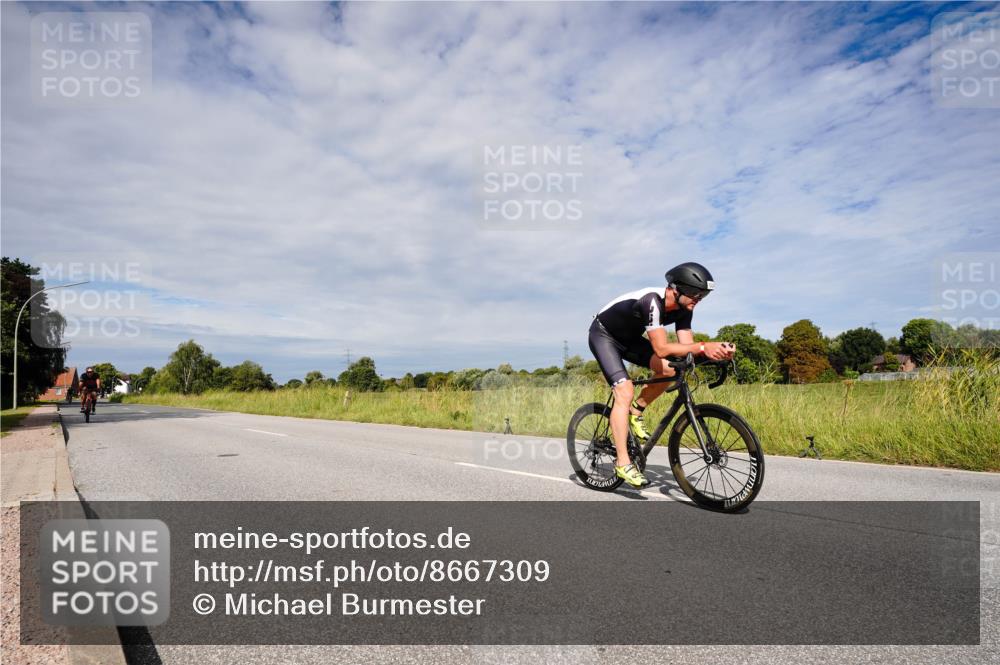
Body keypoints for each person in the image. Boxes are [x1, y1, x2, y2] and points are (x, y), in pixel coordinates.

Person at [588, 262, 735, 487]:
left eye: (703, 295)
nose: (699, 299)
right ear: (676, 289)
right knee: (624, 391)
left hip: (629, 340)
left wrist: (714, 354)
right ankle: (623, 462)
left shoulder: (685, 309)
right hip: (604, 336)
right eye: (696, 293)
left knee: (668, 369)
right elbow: (663, 349)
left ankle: (635, 412)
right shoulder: (652, 302)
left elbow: (687, 348)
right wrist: (704, 346)